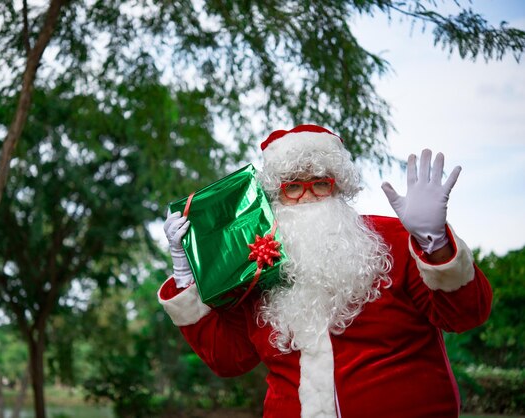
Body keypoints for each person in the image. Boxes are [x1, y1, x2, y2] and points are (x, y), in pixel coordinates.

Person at [158, 124, 492, 418]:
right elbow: (229, 359)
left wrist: (433, 242)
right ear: (275, 197)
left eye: (320, 183)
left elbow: (466, 316)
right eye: (292, 187)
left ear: (338, 187)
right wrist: (185, 275)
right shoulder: (255, 266)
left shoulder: (394, 240)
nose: (307, 197)